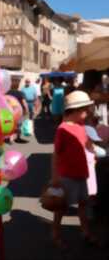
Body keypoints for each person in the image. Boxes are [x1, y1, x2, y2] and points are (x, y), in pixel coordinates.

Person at [51, 90, 100, 249]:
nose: (88, 111)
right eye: (86, 109)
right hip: (67, 176)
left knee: (83, 205)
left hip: (82, 174)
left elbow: (87, 145)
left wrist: (93, 151)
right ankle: (56, 234)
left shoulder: (81, 127)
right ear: (76, 111)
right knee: (61, 207)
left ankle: (85, 232)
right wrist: (55, 176)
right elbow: (56, 154)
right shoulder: (63, 129)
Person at [7, 77, 29, 142]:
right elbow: (24, 103)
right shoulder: (20, 93)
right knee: (19, 125)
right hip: (18, 111)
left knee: (11, 125)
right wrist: (27, 110)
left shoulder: (7, 92)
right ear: (18, 85)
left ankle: (10, 138)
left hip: (10, 111)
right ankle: (18, 138)